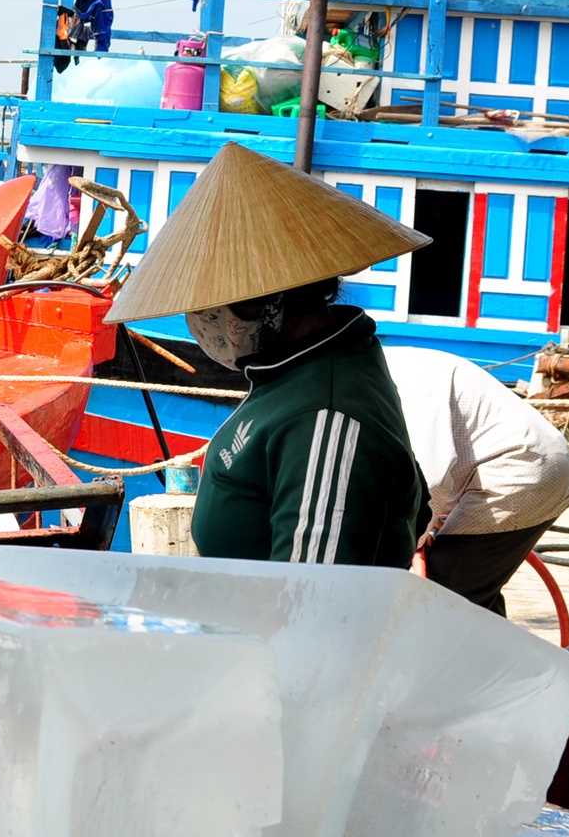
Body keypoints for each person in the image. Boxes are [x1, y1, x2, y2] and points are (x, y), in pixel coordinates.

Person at [105, 141, 432, 566]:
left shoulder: (325, 415)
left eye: (214, 302)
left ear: (270, 301)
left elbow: (311, 602)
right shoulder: (296, 369)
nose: (202, 320)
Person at [383, 347, 569, 614]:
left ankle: (474, 652)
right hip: (531, 463)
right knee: (472, 591)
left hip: (521, 471)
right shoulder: (395, 363)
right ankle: (499, 652)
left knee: (443, 598)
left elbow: (429, 480)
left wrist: (408, 543)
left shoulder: (402, 378)